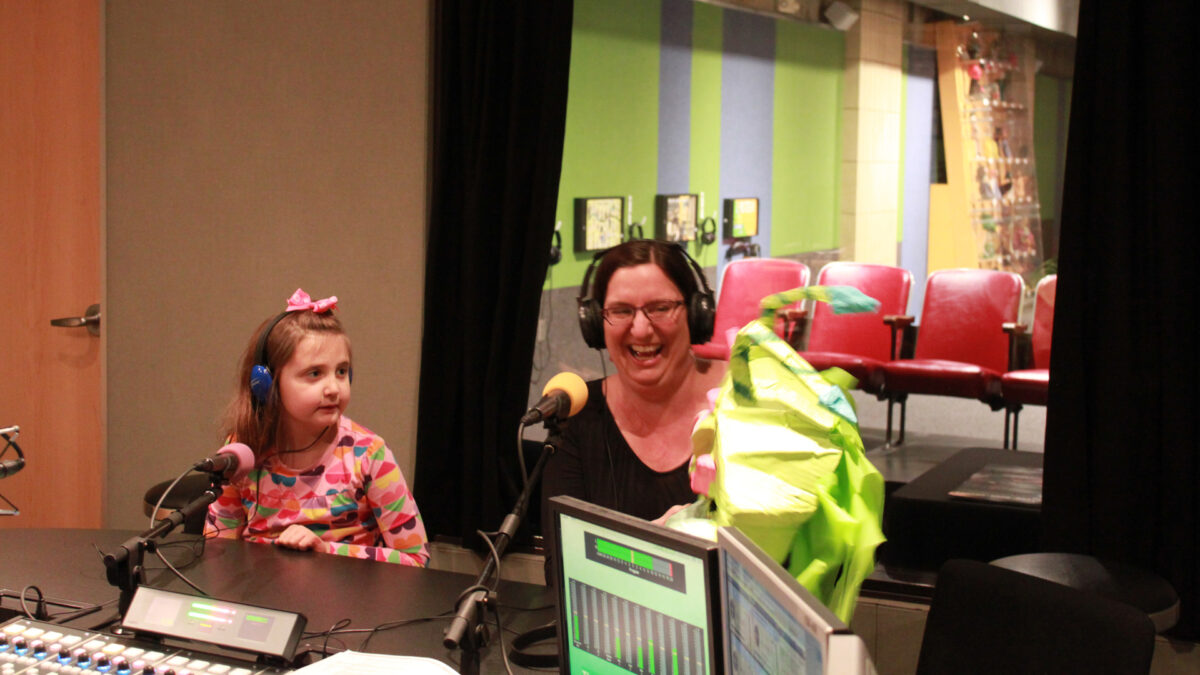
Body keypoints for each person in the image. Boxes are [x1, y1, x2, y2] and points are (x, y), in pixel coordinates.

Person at [204, 289, 429, 566]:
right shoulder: (243, 451)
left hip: (346, 591)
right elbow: (218, 550)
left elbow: (415, 559)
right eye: (314, 373)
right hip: (261, 589)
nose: (334, 388)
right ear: (266, 384)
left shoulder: (369, 455)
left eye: (341, 371)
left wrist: (325, 550)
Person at [541, 241, 726, 544]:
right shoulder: (577, 414)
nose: (640, 329)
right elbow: (561, 560)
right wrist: (652, 545)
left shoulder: (743, 401)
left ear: (696, 314)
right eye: (621, 311)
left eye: (661, 308)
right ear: (595, 322)